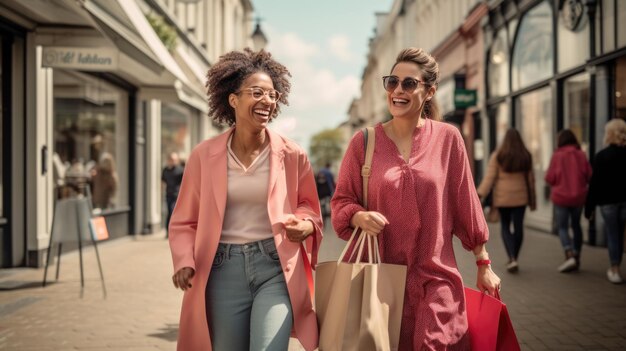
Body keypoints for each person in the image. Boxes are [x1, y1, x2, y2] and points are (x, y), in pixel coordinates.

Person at [331, 47, 501, 350]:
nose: (398, 90)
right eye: (392, 82)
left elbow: (467, 203)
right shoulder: (364, 142)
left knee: (434, 343)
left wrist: (483, 263)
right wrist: (358, 216)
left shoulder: (448, 139)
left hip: (437, 277)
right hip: (381, 280)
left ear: (430, 91)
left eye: (409, 84)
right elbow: (342, 201)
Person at [168, 48, 323, 351]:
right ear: (233, 99)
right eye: (257, 93)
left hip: (275, 267)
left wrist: (305, 224)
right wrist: (184, 260)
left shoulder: (292, 155)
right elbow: (185, 219)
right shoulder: (204, 155)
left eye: (272, 95)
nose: (267, 100)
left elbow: (310, 209)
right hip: (221, 269)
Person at [477, 128, 536, 273]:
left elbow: (489, 178)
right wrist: (532, 199)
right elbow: (531, 180)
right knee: (518, 227)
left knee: (505, 226)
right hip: (520, 198)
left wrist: (479, 194)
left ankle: (511, 258)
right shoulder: (525, 155)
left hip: (503, 199)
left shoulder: (499, 155)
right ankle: (514, 256)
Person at [585, 118, 626, 284]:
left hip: (607, 203)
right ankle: (616, 266)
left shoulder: (601, 156)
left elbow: (595, 184)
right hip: (624, 201)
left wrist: (589, 208)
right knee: (620, 234)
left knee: (613, 235)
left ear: (609, 134)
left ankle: (615, 269)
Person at [545, 129, 592, 273]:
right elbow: (589, 175)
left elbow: (549, 178)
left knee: (563, 227)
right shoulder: (581, 154)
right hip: (578, 197)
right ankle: (576, 255)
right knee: (576, 225)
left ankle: (569, 253)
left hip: (561, 197)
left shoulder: (557, 156)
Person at [161, 152, 184, 238]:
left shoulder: (180, 170)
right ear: (168, 160)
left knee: (173, 212)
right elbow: (163, 182)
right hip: (168, 195)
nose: (173, 161)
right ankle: (168, 232)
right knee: (169, 213)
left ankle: (175, 232)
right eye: (171, 159)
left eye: (174, 160)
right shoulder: (165, 170)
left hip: (178, 196)